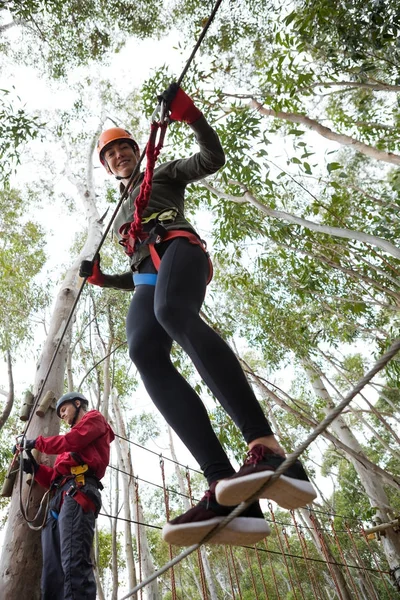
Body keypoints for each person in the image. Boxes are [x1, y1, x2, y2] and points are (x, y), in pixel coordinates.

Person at [82, 84, 316, 546]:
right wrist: (105, 279)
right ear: (107, 168)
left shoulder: (161, 172)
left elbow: (212, 159)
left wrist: (191, 118)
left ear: (136, 150)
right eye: (109, 157)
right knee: (144, 351)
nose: (118, 158)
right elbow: (139, 271)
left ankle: (266, 447)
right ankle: (228, 493)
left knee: (172, 310)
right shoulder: (120, 213)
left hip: (179, 248)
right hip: (148, 272)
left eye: (123, 149)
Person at [19, 392, 114, 599]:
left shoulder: (94, 419)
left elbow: (73, 440)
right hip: (59, 498)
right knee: (52, 574)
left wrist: (36, 443)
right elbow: (54, 477)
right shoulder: (68, 446)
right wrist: (34, 468)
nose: (62, 415)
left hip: (78, 490)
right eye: (60, 412)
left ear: (78, 404)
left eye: (64, 409)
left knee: (73, 561)